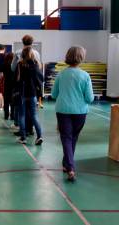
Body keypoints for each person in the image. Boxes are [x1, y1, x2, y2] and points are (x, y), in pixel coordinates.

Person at [51, 46, 94, 182]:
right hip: (80, 112)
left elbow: (53, 94)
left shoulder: (61, 74)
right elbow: (90, 98)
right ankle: (70, 167)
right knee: (72, 137)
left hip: (63, 111)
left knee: (67, 138)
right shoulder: (85, 76)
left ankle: (67, 164)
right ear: (81, 58)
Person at [15, 47, 43, 145]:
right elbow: (40, 79)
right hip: (33, 93)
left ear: (22, 54)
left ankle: (23, 138)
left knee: (22, 115)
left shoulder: (20, 64)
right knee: (34, 115)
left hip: (23, 93)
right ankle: (39, 136)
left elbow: (17, 78)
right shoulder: (36, 64)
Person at [2, 53, 15, 121]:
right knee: (12, 101)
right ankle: (12, 115)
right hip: (13, 85)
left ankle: (6, 115)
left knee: (6, 101)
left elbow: (3, 75)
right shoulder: (14, 66)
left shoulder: (4, 65)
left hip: (6, 84)